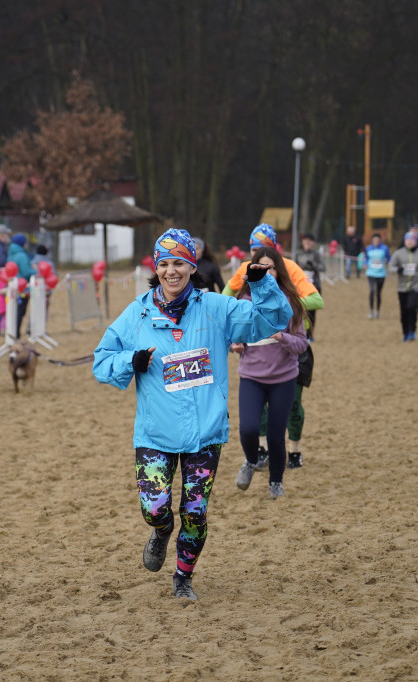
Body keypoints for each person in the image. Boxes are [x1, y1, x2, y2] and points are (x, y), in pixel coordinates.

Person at [93, 228, 292, 601]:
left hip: (206, 433)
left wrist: (260, 285)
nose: (172, 271)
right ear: (156, 267)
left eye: (179, 263)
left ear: (191, 266)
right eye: (165, 264)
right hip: (155, 434)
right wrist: (128, 361)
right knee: (154, 509)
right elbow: (101, 361)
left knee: (195, 513)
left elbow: (273, 320)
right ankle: (162, 530)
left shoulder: (216, 308)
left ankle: (183, 577)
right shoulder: (136, 314)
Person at [223, 224, 322, 472]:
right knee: (259, 410)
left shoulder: (290, 267)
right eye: (254, 249)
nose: (257, 254)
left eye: (263, 248)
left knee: (294, 406)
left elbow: (317, 300)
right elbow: (227, 297)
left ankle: (295, 449)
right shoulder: (247, 269)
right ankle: (264, 451)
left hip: (293, 345)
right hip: (258, 354)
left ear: (275, 249)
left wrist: (284, 305)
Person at [232, 246, 307, 499]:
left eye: (271, 267)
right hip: (251, 376)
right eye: (260, 267)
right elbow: (233, 336)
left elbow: (301, 344)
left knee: (276, 436)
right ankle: (251, 461)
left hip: (283, 378)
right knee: (248, 430)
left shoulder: (291, 302)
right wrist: (236, 343)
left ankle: (276, 481)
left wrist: (282, 337)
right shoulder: (244, 302)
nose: (266, 271)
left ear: (278, 271)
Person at [390, 231, 418, 342]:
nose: (409, 242)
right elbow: (390, 267)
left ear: (416, 241)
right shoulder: (398, 254)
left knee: (411, 306)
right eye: (407, 240)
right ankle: (405, 332)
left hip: (416, 285)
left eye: (412, 240)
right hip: (402, 287)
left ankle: (412, 331)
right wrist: (398, 270)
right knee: (404, 311)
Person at [294, 233, 325, 340]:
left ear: (313, 243)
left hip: (314, 286)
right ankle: (301, 333)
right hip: (300, 287)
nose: (306, 243)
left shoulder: (316, 254)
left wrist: (314, 265)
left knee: (311, 313)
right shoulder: (298, 253)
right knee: (300, 311)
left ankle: (310, 334)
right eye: (304, 241)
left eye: (309, 241)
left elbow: (323, 267)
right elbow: (293, 267)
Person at [6, 233, 35, 338]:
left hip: (13, 287)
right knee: (20, 312)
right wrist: (36, 271)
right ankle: (16, 333)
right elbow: (26, 271)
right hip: (22, 287)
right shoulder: (21, 255)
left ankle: (13, 332)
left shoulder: (11, 253)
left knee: (13, 311)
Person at [364, 233, 391, 318]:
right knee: (372, 290)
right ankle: (371, 311)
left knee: (378, 293)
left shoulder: (384, 248)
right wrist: (365, 264)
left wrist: (392, 265)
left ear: (380, 240)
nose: (376, 241)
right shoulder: (368, 248)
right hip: (371, 273)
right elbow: (366, 258)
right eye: (374, 240)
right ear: (372, 240)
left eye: (377, 240)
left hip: (381, 274)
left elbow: (389, 259)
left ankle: (378, 311)